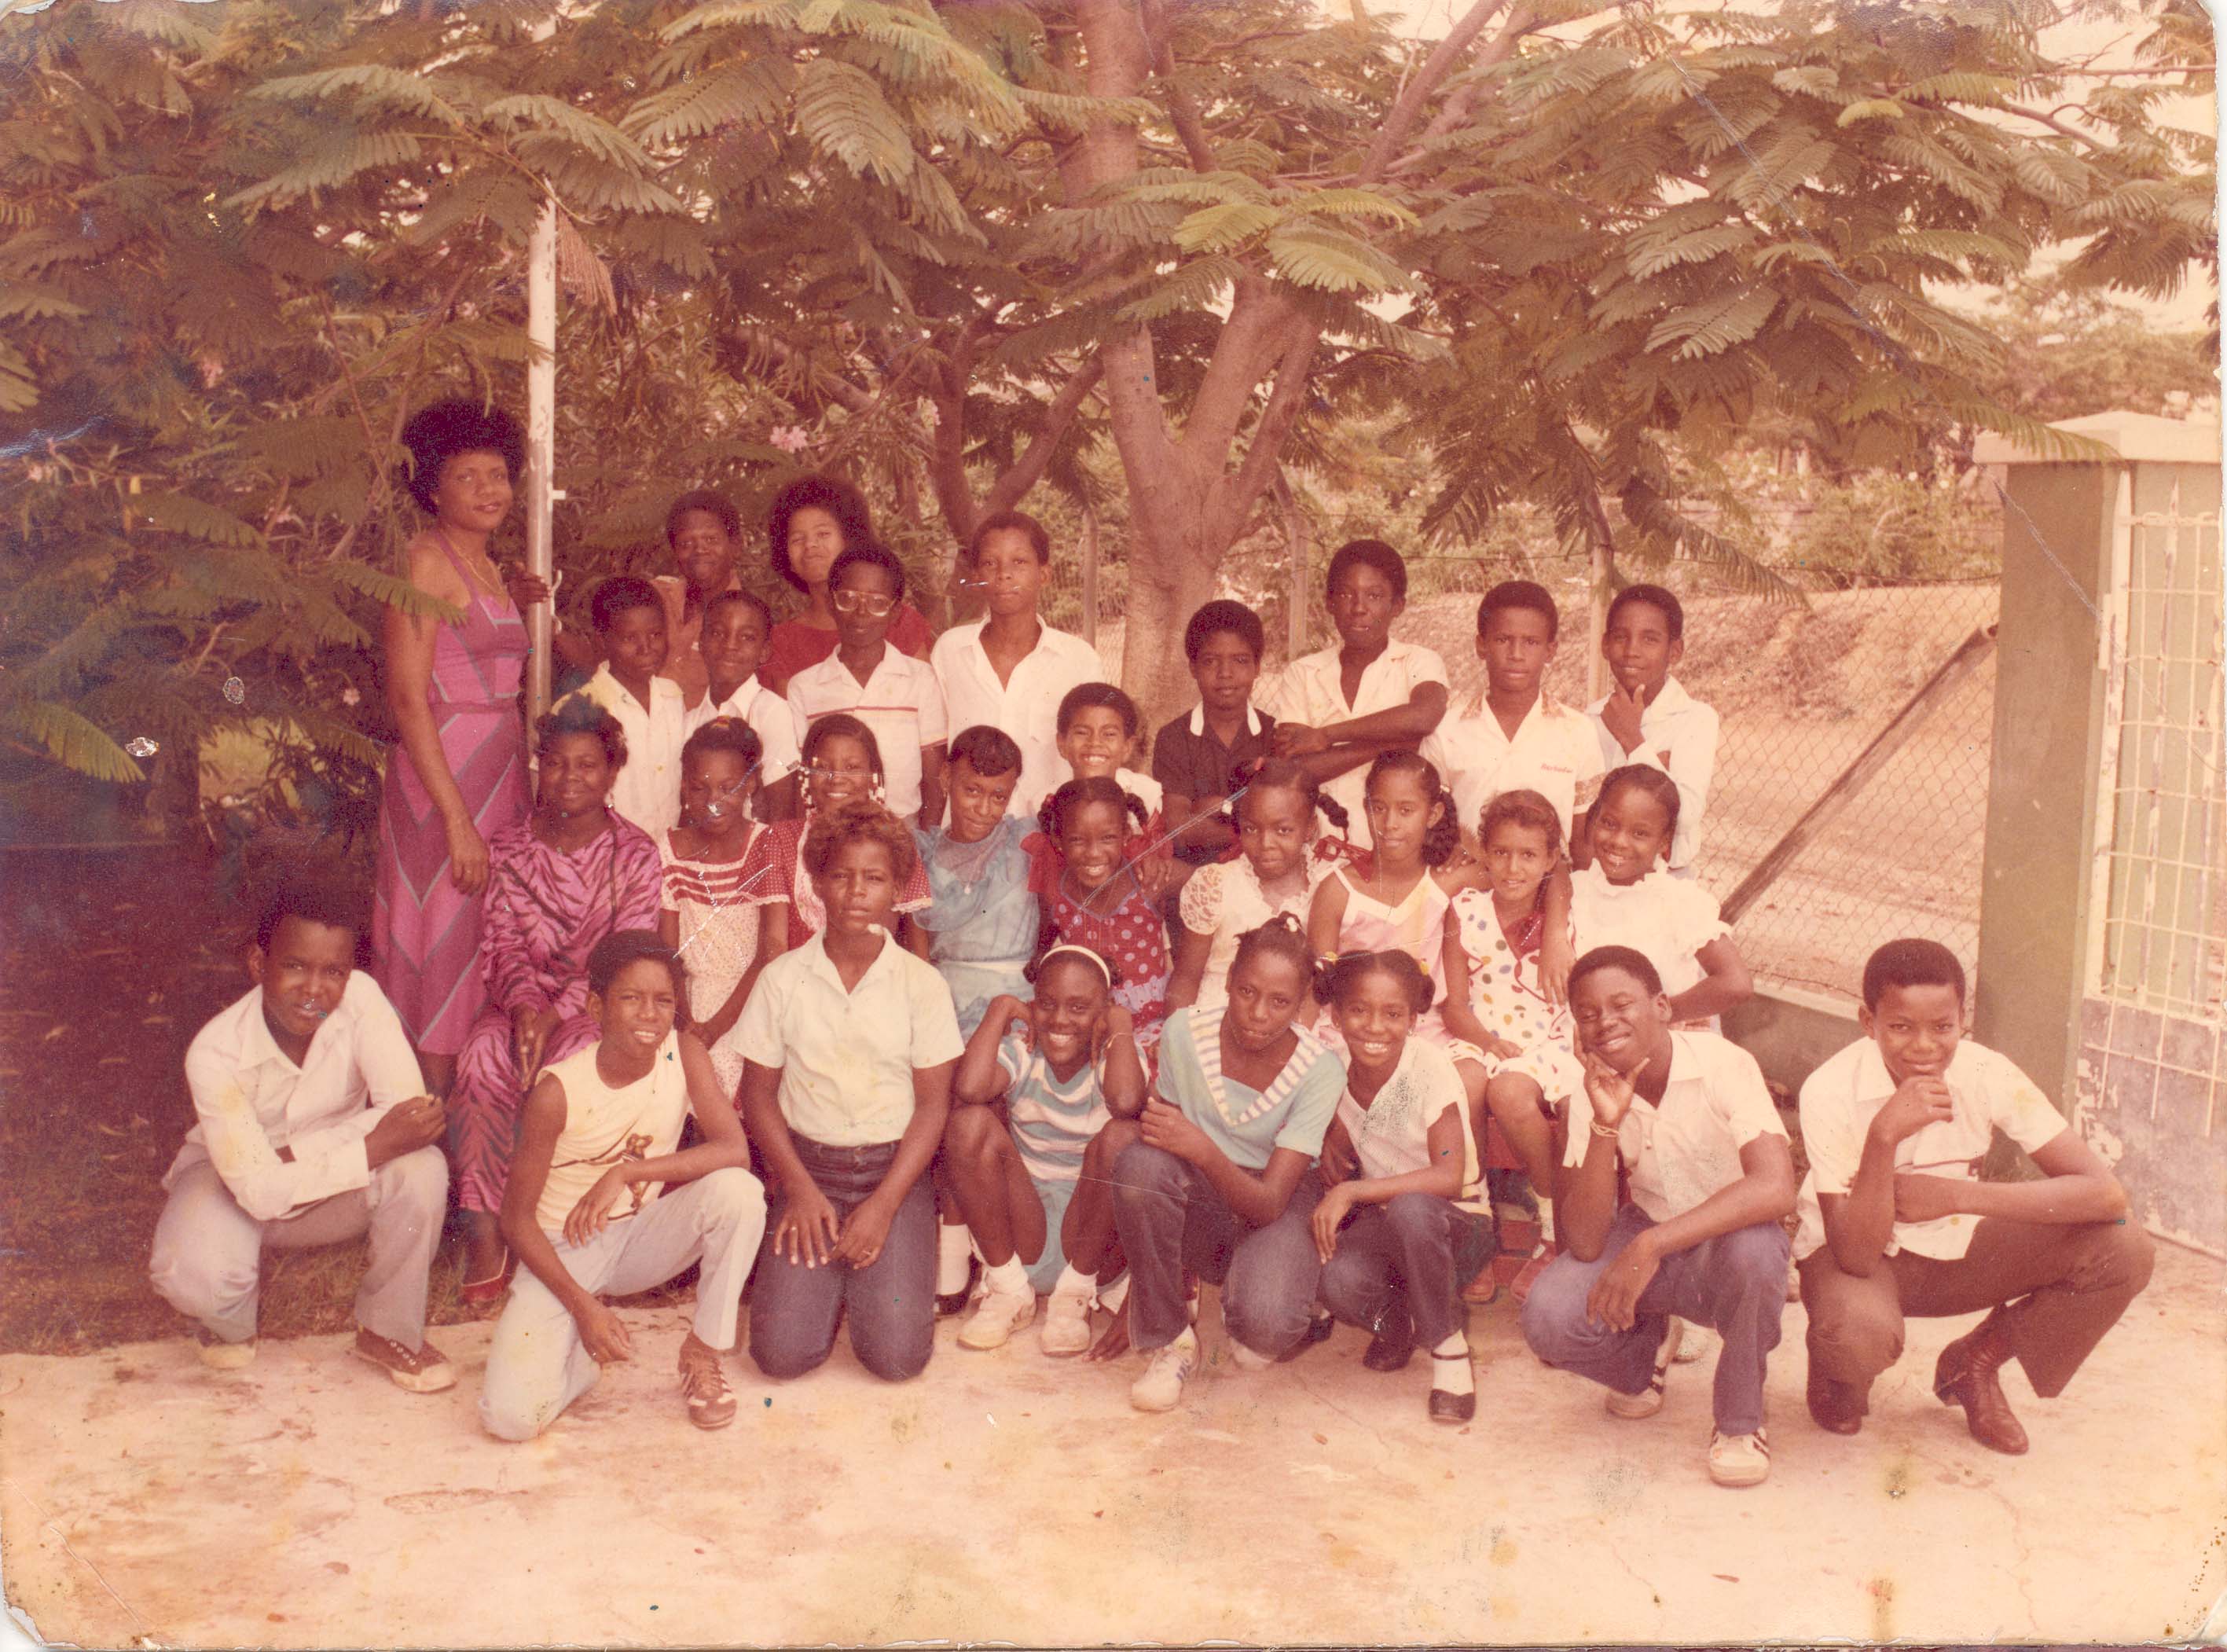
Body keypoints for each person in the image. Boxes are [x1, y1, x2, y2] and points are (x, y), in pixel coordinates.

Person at [1794, 938, 2153, 1454]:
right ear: (1868, 1022)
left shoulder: (1987, 1072)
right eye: (1900, 1027)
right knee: (1855, 1337)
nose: (1924, 1046)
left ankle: (1975, 1363)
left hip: (1955, 1252)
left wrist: (1957, 1196)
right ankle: (1838, 1371)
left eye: (1942, 1027)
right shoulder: (1829, 1089)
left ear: (1963, 1019)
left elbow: (2107, 1195)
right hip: (1859, 1261)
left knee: (2124, 1247)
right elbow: (1854, 1254)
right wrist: (1884, 1135)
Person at [149, 877, 455, 1390]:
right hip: (229, 1181)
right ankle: (230, 1320)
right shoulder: (215, 1052)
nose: (314, 989)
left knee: (421, 1168)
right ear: (258, 964)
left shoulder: (362, 999)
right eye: (294, 966)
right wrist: (372, 1144)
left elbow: (409, 1116)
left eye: (333, 972)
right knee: (191, 1276)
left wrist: (295, 1155)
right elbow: (258, 1189)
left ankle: (388, 1331)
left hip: (320, 1183)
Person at [1519, 946, 1796, 1489]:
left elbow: (1774, 1186)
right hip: (1651, 1222)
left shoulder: (1723, 1063)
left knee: (1757, 1255)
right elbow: (1585, 1241)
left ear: (1663, 1008)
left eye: (1621, 1005)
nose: (1605, 1022)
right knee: (1549, 1316)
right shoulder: (1590, 1090)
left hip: (1731, 1236)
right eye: (1588, 1014)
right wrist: (1604, 1123)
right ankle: (1643, 1361)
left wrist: (1649, 1247)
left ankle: (1740, 1422)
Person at [479, 931, 766, 1438]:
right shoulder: (557, 1092)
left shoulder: (684, 1054)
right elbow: (515, 1221)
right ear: (597, 1007)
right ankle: (575, 1362)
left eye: (663, 1001)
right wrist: (582, 1306)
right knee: (511, 1420)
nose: (649, 1015)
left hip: (637, 1238)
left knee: (739, 1194)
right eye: (631, 999)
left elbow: (733, 1150)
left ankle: (702, 1352)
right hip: (562, 1253)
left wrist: (627, 1172)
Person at [736, 806, 963, 1382]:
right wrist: (799, 1190)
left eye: (875, 878)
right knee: (781, 1356)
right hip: (809, 1172)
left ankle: (861, 1281)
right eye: (840, 875)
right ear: (816, 883)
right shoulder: (782, 979)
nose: (857, 892)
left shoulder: (922, 985)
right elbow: (758, 1097)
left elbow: (932, 1107)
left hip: (894, 1177)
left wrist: (883, 1207)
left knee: (896, 1359)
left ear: (896, 889)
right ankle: (827, 1288)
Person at [448, 697, 663, 1302]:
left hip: (595, 1007)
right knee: (483, 1059)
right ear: (540, 766)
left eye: (588, 765)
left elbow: (623, 955)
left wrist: (555, 1013)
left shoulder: (636, 854)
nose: (571, 777)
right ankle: (487, 1232)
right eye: (558, 763)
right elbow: (503, 942)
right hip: (517, 1002)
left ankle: (554, 1232)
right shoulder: (509, 845)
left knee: (569, 1069)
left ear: (613, 771)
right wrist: (523, 1009)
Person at [1110, 916, 1348, 1412]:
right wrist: (1147, 1291)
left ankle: (1270, 1287)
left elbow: (1269, 1204)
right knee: (1138, 1165)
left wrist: (1202, 1148)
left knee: (1262, 1334)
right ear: (1228, 981)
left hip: (1277, 1199)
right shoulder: (1184, 1032)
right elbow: (1157, 1154)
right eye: (1247, 992)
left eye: (1279, 1002)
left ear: (1302, 1003)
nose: (1258, 1014)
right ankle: (1170, 1341)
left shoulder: (1321, 1069)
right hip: (1205, 1195)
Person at [372, 399, 534, 1096]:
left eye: (496, 474)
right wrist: (455, 819)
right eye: (467, 477)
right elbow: (409, 699)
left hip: (499, 776)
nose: (487, 490)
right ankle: (424, 1113)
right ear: (432, 489)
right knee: (439, 939)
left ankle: (478, 1106)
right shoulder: (422, 563)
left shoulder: (488, 565)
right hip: (442, 783)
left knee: (485, 936)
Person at [1312, 951, 1491, 1423]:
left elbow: (1448, 1176)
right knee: (1335, 1278)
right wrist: (1328, 1143)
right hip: (1390, 1224)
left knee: (1413, 1208)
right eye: (1358, 1010)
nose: (1375, 1027)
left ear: (1413, 1020)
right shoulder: (1334, 1069)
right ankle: (1399, 1326)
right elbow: (1350, 1129)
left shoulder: (1428, 1068)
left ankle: (1449, 1350)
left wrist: (1351, 1192)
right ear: (1336, 1016)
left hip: (1457, 1225)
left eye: (1392, 1014)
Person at [944, 948, 1149, 1354]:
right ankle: (1009, 1291)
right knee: (968, 1123)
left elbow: (1127, 1102)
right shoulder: (1023, 1049)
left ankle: (1073, 1299)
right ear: (1032, 1003)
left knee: (1123, 1136)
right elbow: (969, 1088)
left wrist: (1121, 1026)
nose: (1060, 1020)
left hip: (1091, 1244)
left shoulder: (1115, 1055)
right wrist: (1000, 1010)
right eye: (1048, 1004)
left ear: (1104, 1010)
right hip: (1023, 1238)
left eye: (1079, 1007)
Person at [1440, 789, 1584, 1200]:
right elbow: (1453, 1006)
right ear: (1485, 852)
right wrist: (1486, 1042)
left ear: (1550, 859)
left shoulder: (1565, 917)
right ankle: (1472, 1195)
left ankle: (1550, 1200)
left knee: (1509, 1093)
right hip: (1479, 1037)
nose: (1513, 868)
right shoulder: (1465, 910)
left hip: (1548, 1043)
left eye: (1528, 855)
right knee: (1460, 1081)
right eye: (1501, 853)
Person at [1260, 539, 1449, 850]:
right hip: (1318, 846)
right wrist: (1391, 744)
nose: (1359, 608)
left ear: (1397, 605)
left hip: (1398, 848)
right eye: (1347, 595)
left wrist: (1326, 736)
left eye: (1374, 596)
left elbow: (1423, 716)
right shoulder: (1304, 672)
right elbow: (1295, 771)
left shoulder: (1417, 661)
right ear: (1330, 603)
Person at [930, 510, 1102, 817]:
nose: (1003, 574)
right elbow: (935, 752)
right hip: (968, 833)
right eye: (990, 563)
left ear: (1044, 574)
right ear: (977, 576)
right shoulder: (950, 651)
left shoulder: (1079, 660)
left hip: (1049, 834)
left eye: (1019, 562)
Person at [1421, 579, 1605, 854]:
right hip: (1467, 877)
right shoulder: (1446, 732)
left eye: (1531, 642)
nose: (1516, 654)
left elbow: (1583, 841)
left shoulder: (1578, 732)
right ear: (1481, 645)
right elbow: (1431, 831)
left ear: (1550, 650)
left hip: (1552, 879)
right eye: (1503, 640)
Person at [659, 718, 789, 1099]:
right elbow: (669, 954)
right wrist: (686, 1020)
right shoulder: (669, 849)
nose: (713, 801)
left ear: (751, 784)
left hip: (751, 995)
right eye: (700, 788)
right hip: (687, 1000)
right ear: (684, 786)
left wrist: (715, 1028)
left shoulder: (764, 843)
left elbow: (772, 950)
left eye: (728, 788)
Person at [784, 541, 947, 829]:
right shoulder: (804, 687)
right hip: (829, 834)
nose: (861, 612)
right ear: (831, 603)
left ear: (896, 612)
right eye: (848, 598)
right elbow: (802, 780)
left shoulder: (920, 680)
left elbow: (934, 782)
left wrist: (927, 843)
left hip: (903, 832)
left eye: (877, 602)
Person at [1572, 765, 1752, 1026]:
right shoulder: (1576, 888)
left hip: (1654, 1041)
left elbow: (1736, 983)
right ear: (1594, 820)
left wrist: (1659, 1016)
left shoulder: (1678, 901)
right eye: (1609, 824)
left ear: (1665, 841)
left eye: (1640, 833)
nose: (1619, 841)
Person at [1169, 759, 1339, 1011]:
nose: (1265, 843)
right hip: (1219, 1016)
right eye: (1251, 829)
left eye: (1283, 830)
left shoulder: (1330, 884)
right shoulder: (1216, 884)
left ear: (1310, 828)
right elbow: (1186, 977)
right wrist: (1176, 1030)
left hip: (1302, 1017)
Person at [762, 713, 930, 949]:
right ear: (806, 774)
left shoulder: (897, 841)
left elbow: (917, 947)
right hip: (800, 971)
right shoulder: (780, 839)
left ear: (872, 775)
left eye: (852, 767)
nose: (836, 779)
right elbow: (774, 943)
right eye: (822, 767)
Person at [1584, 585, 1719, 878]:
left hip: (1666, 879)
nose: (1632, 651)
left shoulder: (1695, 719)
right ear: (1605, 645)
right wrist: (1657, 769)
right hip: (1596, 876)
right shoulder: (1590, 719)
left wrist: (1632, 740)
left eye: (1650, 639)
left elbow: (1684, 815)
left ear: (1675, 651)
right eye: (1621, 637)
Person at [914, 725, 1038, 1036]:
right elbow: (919, 962)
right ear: (946, 778)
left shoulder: (1025, 842)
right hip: (945, 1005)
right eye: (972, 791)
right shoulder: (921, 856)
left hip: (1019, 1001)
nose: (984, 809)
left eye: (999, 797)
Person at [1029, 776, 1170, 1048]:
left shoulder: (1148, 880)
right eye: (1077, 840)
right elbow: (1043, 946)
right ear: (1058, 840)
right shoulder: (1056, 892)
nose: (1093, 853)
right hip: (1085, 1027)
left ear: (1126, 835)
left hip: (1150, 1025)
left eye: (1107, 838)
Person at [761, 474, 932, 694]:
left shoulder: (898, 621)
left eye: (823, 534)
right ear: (786, 557)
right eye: (797, 539)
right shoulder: (783, 641)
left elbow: (925, 701)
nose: (810, 545)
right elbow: (785, 714)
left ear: (850, 539)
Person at [1153, 600, 1279, 872]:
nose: (1225, 674)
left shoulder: (1274, 734)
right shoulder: (1174, 737)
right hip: (1196, 874)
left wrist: (1213, 809)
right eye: (1210, 661)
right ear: (1193, 667)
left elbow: (1286, 818)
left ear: (1257, 667)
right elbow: (1179, 829)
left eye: (1240, 661)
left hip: (1264, 873)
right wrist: (1254, 830)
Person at [560, 575, 689, 841]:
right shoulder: (581, 709)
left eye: (655, 635)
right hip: (609, 854)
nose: (646, 648)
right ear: (602, 641)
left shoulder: (673, 698)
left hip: (667, 852)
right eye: (630, 638)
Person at [688, 589, 802, 820]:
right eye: (718, 633)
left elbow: (781, 813)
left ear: (764, 652)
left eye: (747, 637)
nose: (730, 645)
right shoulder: (690, 721)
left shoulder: (772, 712)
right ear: (701, 642)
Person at [652, 489, 747, 708]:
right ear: (675, 553)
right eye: (686, 544)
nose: (700, 550)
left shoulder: (748, 621)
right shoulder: (653, 598)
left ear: (735, 546)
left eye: (711, 539)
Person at [1055, 681, 1163, 811]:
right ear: (1062, 743)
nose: (1095, 742)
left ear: (1127, 747)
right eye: (1082, 733)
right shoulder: (1046, 801)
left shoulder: (1147, 795)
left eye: (1109, 734)